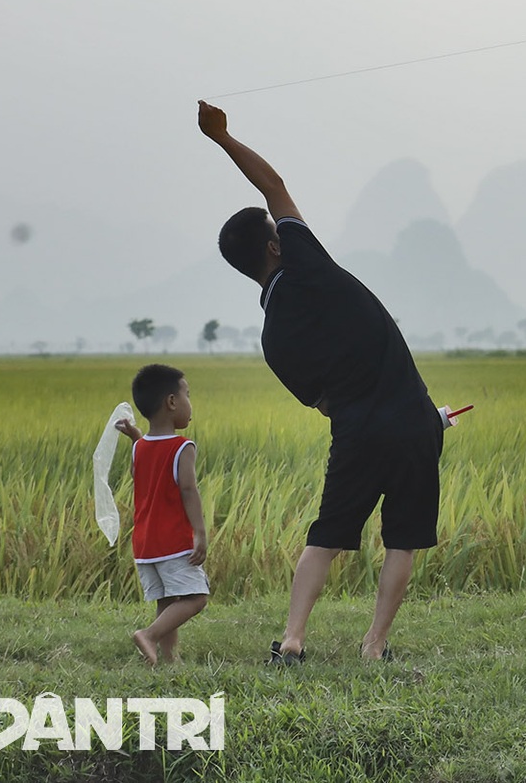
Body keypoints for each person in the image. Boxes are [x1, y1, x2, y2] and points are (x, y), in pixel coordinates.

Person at [198, 100, 446, 664]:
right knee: (403, 539)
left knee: (326, 537)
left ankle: (292, 640)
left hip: (356, 431)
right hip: (413, 418)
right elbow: (274, 185)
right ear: (275, 245)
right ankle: (374, 645)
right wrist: (222, 137)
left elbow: (324, 403)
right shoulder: (306, 263)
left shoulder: (273, 339)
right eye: (277, 232)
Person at [114, 364, 208, 665]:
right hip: (172, 542)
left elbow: (140, 472)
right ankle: (149, 635)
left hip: (145, 545)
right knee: (197, 598)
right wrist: (200, 533)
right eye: (187, 395)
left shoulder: (139, 447)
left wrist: (135, 438)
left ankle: (167, 658)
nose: (190, 403)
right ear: (171, 402)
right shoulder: (183, 447)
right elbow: (188, 490)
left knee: (167, 600)